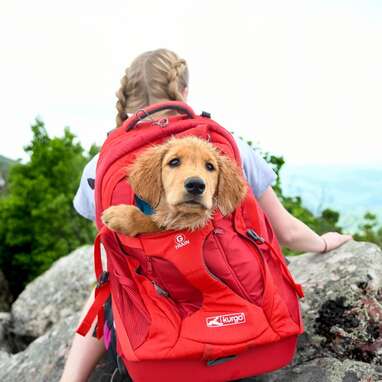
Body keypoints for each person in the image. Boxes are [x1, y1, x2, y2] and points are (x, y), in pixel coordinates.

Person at [60, 48, 353, 382]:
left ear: (126, 100)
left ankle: (70, 379)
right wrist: (325, 243)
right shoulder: (229, 146)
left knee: (108, 280)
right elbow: (285, 231)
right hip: (246, 332)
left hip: (156, 348)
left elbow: (112, 260)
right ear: (184, 92)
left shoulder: (98, 165)